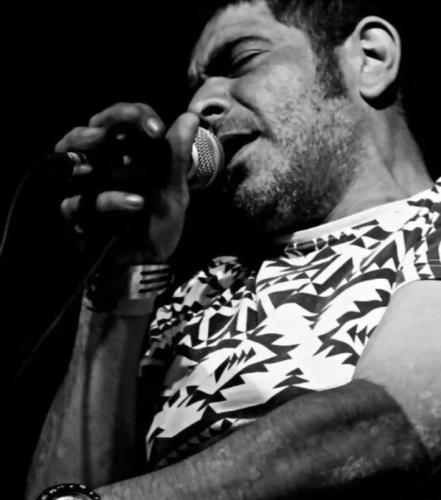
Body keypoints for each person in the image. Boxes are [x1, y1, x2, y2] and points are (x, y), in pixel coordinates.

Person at [26, 0, 441, 498]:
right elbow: (62, 486)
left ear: (371, 58)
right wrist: (117, 283)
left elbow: (388, 427)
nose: (199, 106)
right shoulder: (200, 292)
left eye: (241, 61)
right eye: (195, 88)